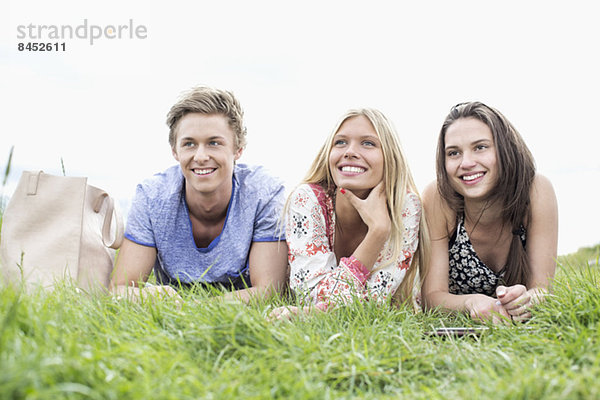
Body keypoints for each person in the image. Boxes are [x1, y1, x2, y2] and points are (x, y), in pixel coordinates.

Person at [111, 86, 288, 303]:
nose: (201, 156)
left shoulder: (264, 193)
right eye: (189, 144)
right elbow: (119, 290)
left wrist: (194, 307)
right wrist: (152, 297)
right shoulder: (152, 197)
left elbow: (269, 291)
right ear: (175, 151)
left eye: (214, 143)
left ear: (238, 149)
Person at [270, 108, 428, 319]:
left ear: (390, 157)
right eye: (341, 142)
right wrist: (376, 236)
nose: (350, 151)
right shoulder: (307, 199)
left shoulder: (405, 207)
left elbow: (374, 302)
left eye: (368, 143)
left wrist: (378, 231)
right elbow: (311, 298)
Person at [421, 101, 558, 323]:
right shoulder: (438, 197)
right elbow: (431, 297)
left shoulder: (536, 191)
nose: (466, 163)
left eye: (480, 147)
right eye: (454, 153)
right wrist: (472, 303)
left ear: (505, 148)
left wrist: (524, 300)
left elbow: (543, 290)